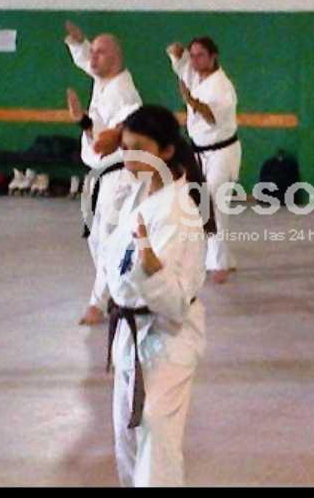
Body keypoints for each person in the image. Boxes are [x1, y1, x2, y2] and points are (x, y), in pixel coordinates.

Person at [102, 104, 213, 486]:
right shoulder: (141, 191)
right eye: (126, 147)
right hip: (131, 330)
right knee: (127, 432)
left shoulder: (180, 212)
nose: (130, 158)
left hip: (168, 336)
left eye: (140, 149)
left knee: (156, 435)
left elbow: (176, 303)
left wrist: (152, 269)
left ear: (166, 151)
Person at [63, 20, 142, 325]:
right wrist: (78, 42)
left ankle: (99, 302)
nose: (93, 58)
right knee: (96, 240)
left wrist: (82, 121)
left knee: (109, 237)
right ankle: (117, 290)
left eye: (100, 53)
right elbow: (87, 61)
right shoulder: (104, 79)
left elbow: (110, 141)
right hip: (100, 174)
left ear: (116, 58)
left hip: (120, 174)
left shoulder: (124, 93)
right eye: (92, 52)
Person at [166, 37, 240, 284]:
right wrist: (176, 52)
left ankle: (219, 264)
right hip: (199, 151)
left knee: (216, 205)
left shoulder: (222, 86)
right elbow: (182, 65)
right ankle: (223, 258)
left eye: (201, 55)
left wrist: (191, 101)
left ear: (213, 56)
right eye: (193, 55)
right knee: (196, 204)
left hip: (222, 153)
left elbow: (211, 116)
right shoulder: (196, 75)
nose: (196, 60)